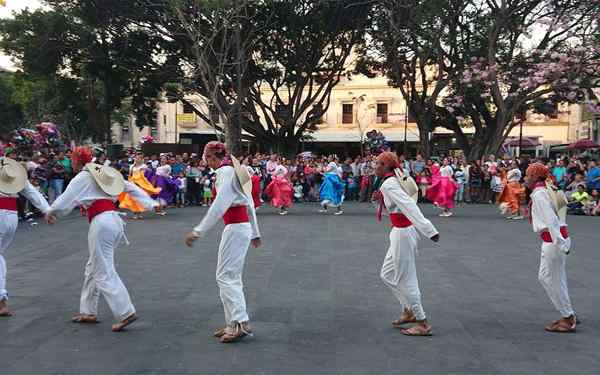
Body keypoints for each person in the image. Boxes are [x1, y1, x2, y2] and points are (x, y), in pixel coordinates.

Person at [46, 147, 158, 332]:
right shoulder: (103, 171)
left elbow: (66, 198)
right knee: (93, 267)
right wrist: (150, 203)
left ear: (77, 161)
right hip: (113, 220)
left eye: (72, 159)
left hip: (102, 222)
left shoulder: (83, 176)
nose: (71, 162)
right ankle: (88, 310)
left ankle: (125, 311)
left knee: (102, 270)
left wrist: (51, 212)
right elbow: (129, 187)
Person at [184, 142, 261, 344]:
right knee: (229, 276)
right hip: (240, 227)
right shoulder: (233, 171)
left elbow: (220, 204)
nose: (205, 160)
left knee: (225, 276)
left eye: (206, 157)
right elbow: (250, 202)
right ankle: (233, 322)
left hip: (235, 227)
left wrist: (198, 231)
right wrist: (255, 232)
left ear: (210, 157)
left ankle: (239, 322)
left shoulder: (225, 172)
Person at [374, 152, 439, 336]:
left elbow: (409, 206)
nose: (375, 166)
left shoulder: (389, 183)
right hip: (399, 232)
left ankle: (422, 322)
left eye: (378, 164)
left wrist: (429, 230)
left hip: (403, 233)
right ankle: (408, 310)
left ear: (387, 166)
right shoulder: (394, 179)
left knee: (405, 279)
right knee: (386, 274)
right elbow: (400, 204)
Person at [524, 162, 577, 333]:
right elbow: (562, 209)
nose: (525, 178)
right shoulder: (552, 188)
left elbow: (551, 220)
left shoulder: (540, 193)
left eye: (527, 175)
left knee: (550, 278)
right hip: (558, 238)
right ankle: (567, 312)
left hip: (553, 241)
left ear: (533, 176)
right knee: (551, 278)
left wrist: (560, 242)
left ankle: (568, 316)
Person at [0, 157, 51, 317]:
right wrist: (47, 210)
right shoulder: (13, 172)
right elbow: (31, 192)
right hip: (11, 216)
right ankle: (1, 300)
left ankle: (1, 300)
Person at [119, 153, 161, 220]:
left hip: (140, 184)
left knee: (138, 199)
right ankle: (136, 213)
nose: (137, 159)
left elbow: (150, 172)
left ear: (142, 159)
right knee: (132, 199)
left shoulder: (143, 166)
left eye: (139, 158)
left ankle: (138, 213)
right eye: (136, 158)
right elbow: (130, 175)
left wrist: (144, 171)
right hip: (132, 183)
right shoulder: (132, 166)